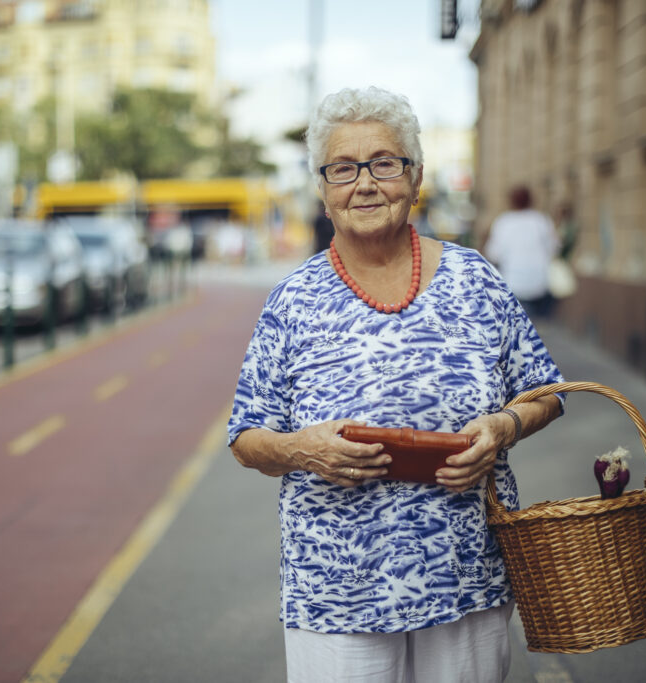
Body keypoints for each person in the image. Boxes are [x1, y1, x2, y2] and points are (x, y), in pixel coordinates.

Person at [227, 87, 565, 683]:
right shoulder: (293, 300)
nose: (365, 183)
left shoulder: (473, 279)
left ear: (415, 178)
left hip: (466, 574)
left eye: (385, 163)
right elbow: (246, 436)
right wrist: (300, 448)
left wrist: (501, 428)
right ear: (323, 189)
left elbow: (546, 390)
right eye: (343, 168)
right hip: (336, 591)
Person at [482, 185, 559, 318]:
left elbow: (493, 253)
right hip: (539, 283)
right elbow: (554, 248)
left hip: (513, 282)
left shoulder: (504, 222)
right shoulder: (541, 221)